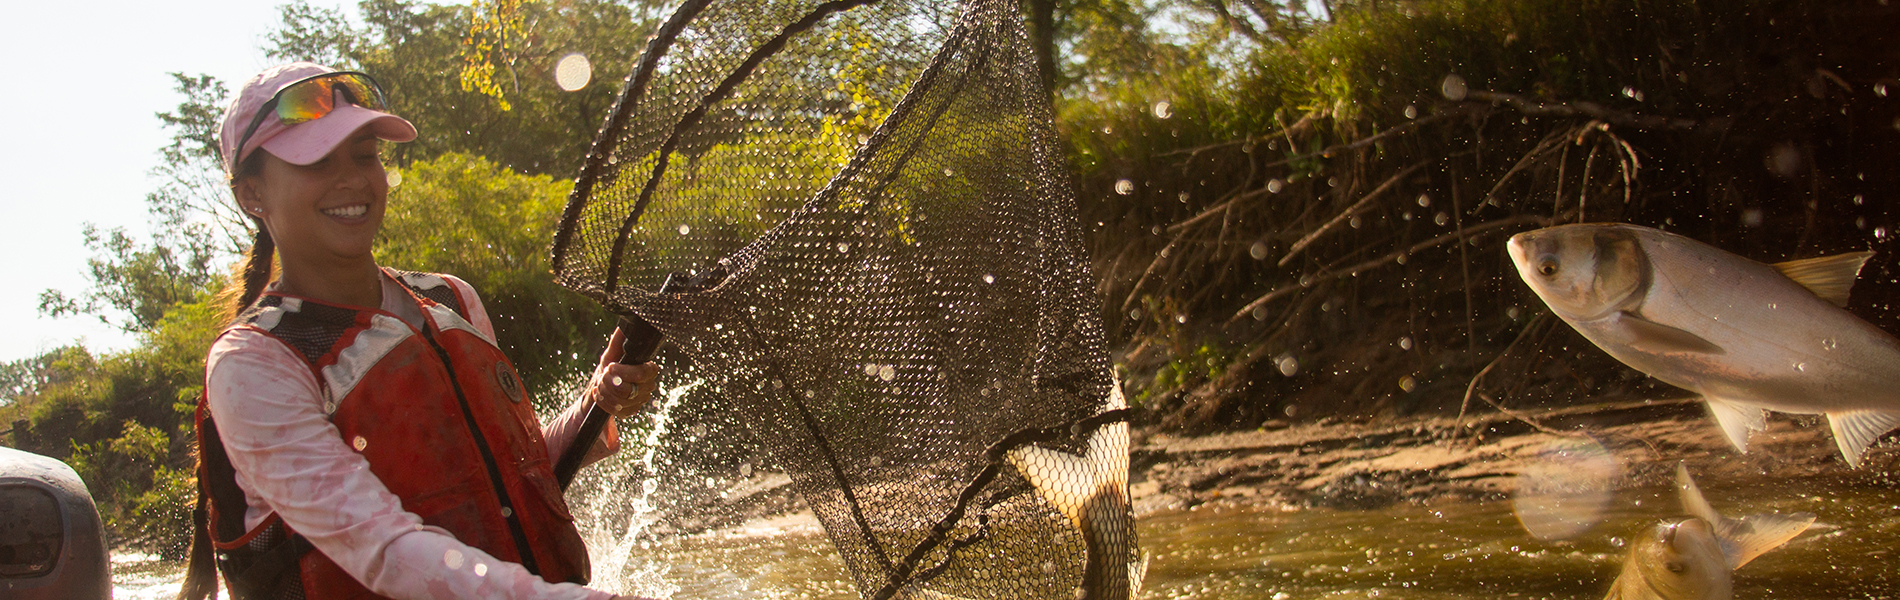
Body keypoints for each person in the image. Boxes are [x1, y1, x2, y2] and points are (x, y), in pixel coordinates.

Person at [177, 62, 658, 600]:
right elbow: (385, 549)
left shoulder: (452, 298)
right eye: (317, 161)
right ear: (251, 195)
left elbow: (510, 474)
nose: (353, 179)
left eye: (365, 155)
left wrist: (596, 404)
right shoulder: (252, 363)